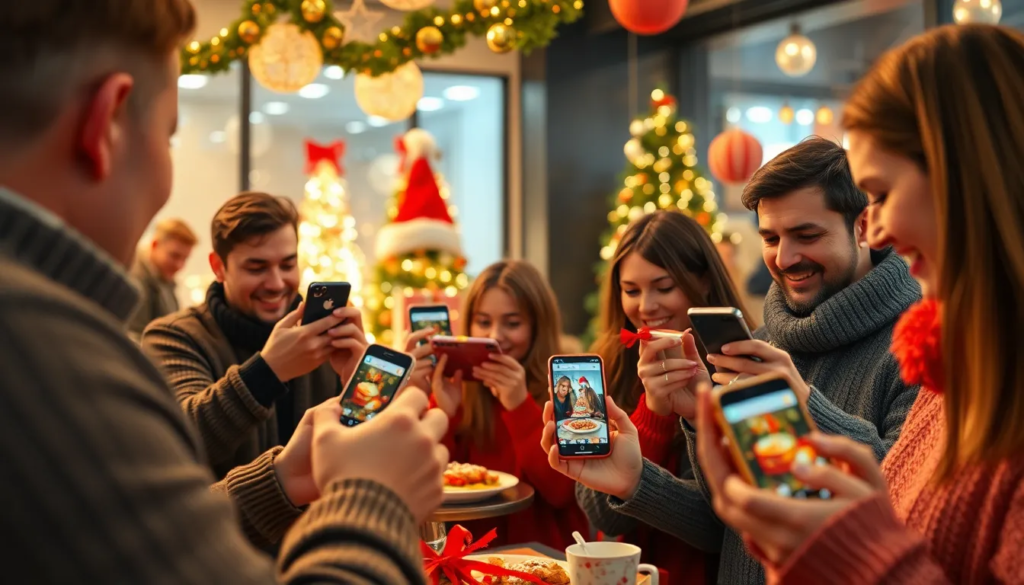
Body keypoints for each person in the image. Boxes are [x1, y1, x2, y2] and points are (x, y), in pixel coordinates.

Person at [0, 1, 448, 581]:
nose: (279, 282)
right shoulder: (52, 347)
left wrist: (313, 443)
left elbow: (152, 538)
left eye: (288, 264)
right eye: (167, 136)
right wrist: (373, 495)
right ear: (106, 122)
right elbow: (182, 452)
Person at [697, 24, 1024, 583]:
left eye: (884, 194)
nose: (882, 227)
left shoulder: (950, 367)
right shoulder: (957, 371)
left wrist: (864, 556)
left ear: (963, 176)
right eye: (771, 238)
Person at [565, 139, 922, 584]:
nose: (784, 257)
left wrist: (803, 407)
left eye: (806, 235)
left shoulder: (922, 346)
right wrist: (672, 446)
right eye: (770, 238)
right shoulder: (759, 342)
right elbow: (733, 529)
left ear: (864, 226)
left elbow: (913, 503)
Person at [578, 210, 753, 585]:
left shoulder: (742, 366)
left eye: (664, 286)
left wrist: (693, 415)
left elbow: (719, 528)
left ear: (702, 280)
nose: (646, 306)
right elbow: (601, 514)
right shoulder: (609, 364)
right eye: (632, 290)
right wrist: (653, 414)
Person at [143, 192, 367, 484]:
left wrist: (359, 385)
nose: (276, 284)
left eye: (287, 265)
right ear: (218, 267)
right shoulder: (173, 337)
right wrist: (267, 372)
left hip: (322, 526)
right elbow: (179, 441)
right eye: (256, 268)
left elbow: (360, 454)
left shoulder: (325, 334)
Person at [407, 260, 587, 550]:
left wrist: (519, 406)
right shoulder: (461, 388)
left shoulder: (568, 386)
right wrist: (444, 413)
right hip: (473, 561)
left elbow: (561, 492)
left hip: (547, 559)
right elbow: (429, 487)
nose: (495, 336)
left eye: (512, 323)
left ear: (538, 327)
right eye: (483, 321)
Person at [127, 217, 196, 336]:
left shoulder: (164, 278)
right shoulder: (136, 280)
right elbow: (134, 335)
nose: (179, 266)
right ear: (155, 245)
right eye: (174, 256)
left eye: (185, 259)